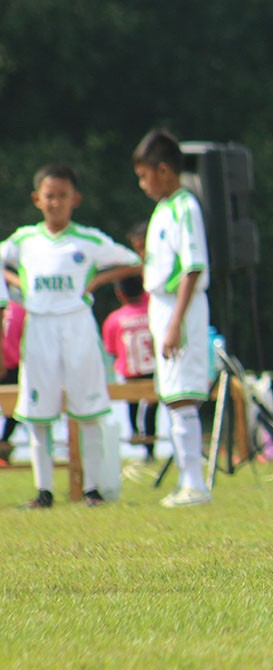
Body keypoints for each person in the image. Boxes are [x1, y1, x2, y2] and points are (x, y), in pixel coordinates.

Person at [1, 163, 141, 508]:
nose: (55, 203)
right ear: (37, 199)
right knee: (38, 412)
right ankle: (44, 491)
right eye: (49, 196)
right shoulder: (25, 240)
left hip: (77, 325)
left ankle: (92, 489)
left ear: (74, 199)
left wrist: (96, 280)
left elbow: (134, 261)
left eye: (62, 196)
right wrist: (18, 282)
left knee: (88, 408)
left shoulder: (88, 240)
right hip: (39, 326)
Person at [133, 128, 213, 508]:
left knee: (183, 397)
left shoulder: (185, 207)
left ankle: (195, 484)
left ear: (163, 170)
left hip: (183, 305)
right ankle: (186, 480)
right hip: (162, 305)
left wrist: (176, 322)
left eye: (144, 175)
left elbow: (193, 267)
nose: (142, 184)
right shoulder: (162, 209)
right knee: (171, 396)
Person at [102, 274, 158, 462]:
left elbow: (111, 349)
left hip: (129, 371)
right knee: (151, 409)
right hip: (152, 369)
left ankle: (134, 430)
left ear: (120, 293)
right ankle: (150, 448)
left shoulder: (114, 319)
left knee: (131, 403)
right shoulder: (153, 312)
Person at [0, 293, 25, 465]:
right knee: (15, 408)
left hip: (9, 365)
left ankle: (3, 446)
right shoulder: (20, 310)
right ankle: (4, 442)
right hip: (13, 366)